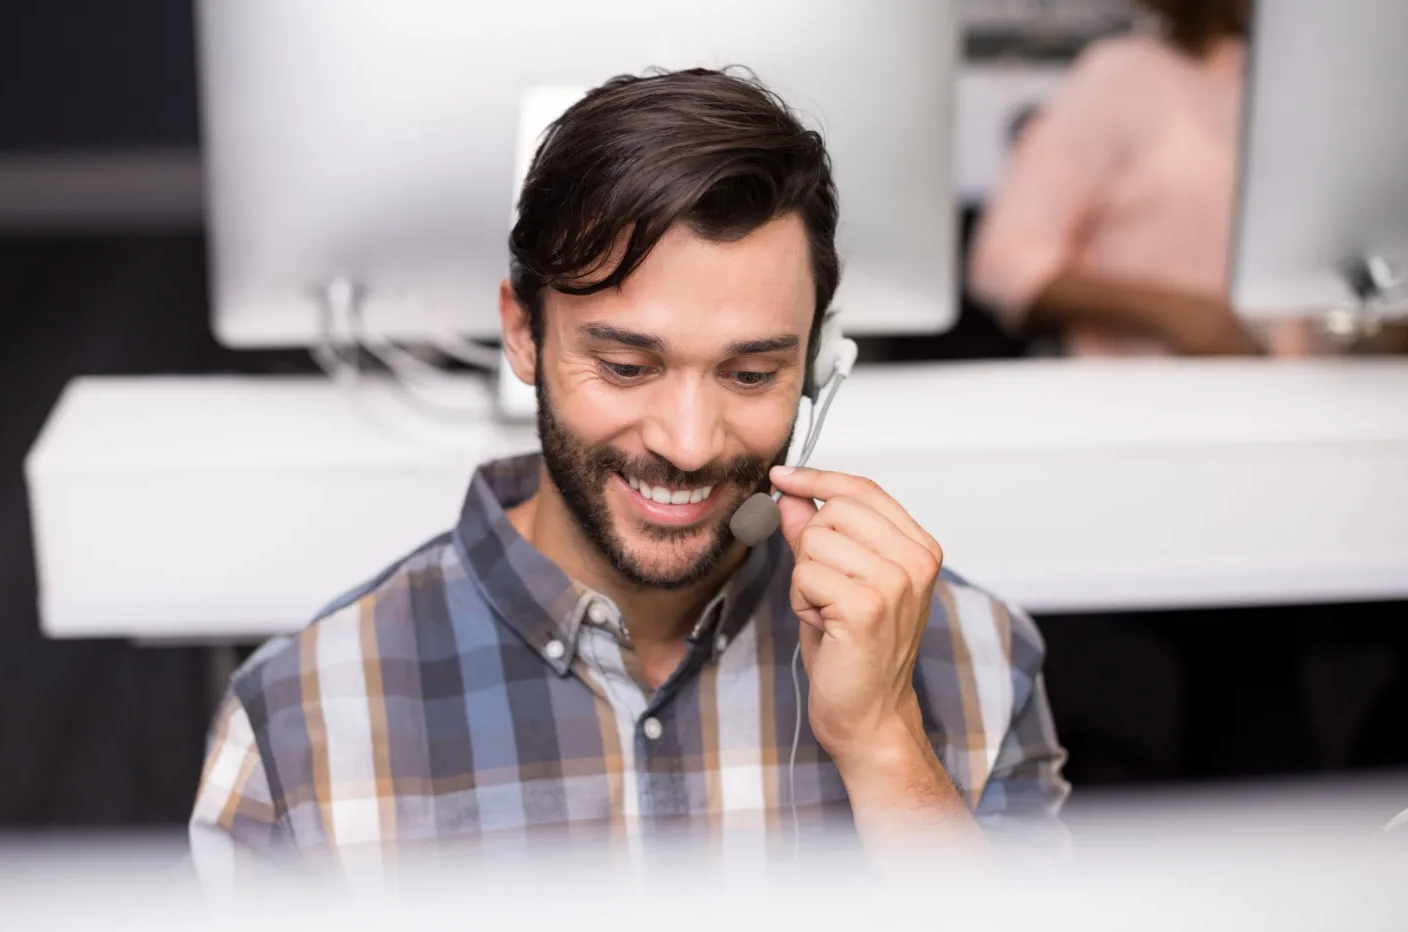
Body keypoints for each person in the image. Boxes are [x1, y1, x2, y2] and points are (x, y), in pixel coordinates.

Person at [190, 69, 1067, 882]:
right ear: (524, 334)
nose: (688, 444)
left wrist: (885, 746)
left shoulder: (974, 658)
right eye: (625, 367)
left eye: (751, 374)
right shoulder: (297, 721)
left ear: (819, 363)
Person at [970, 0, 1329, 358]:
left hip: (1289, 390)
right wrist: (1182, 316)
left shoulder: (1299, 87)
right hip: (1141, 393)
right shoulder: (1122, 75)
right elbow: (1006, 263)